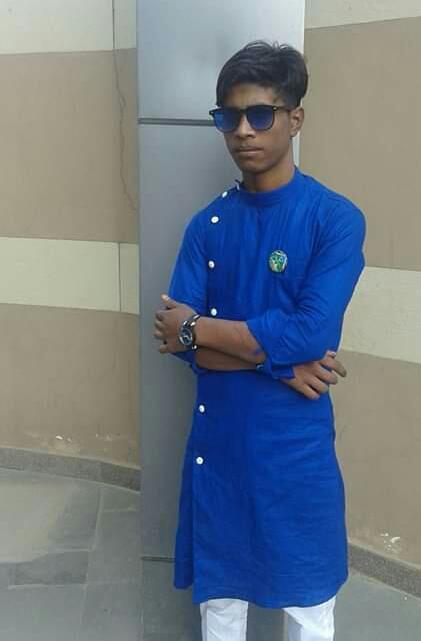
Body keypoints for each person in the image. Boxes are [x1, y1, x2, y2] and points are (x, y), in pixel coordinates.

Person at [153, 40, 366, 641]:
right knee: (221, 603)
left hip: (294, 450)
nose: (243, 130)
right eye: (230, 116)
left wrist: (199, 327)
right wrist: (282, 365)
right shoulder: (206, 226)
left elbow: (311, 330)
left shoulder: (334, 219)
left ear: (295, 118)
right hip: (219, 446)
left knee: (308, 605)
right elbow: (177, 344)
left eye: (260, 114)